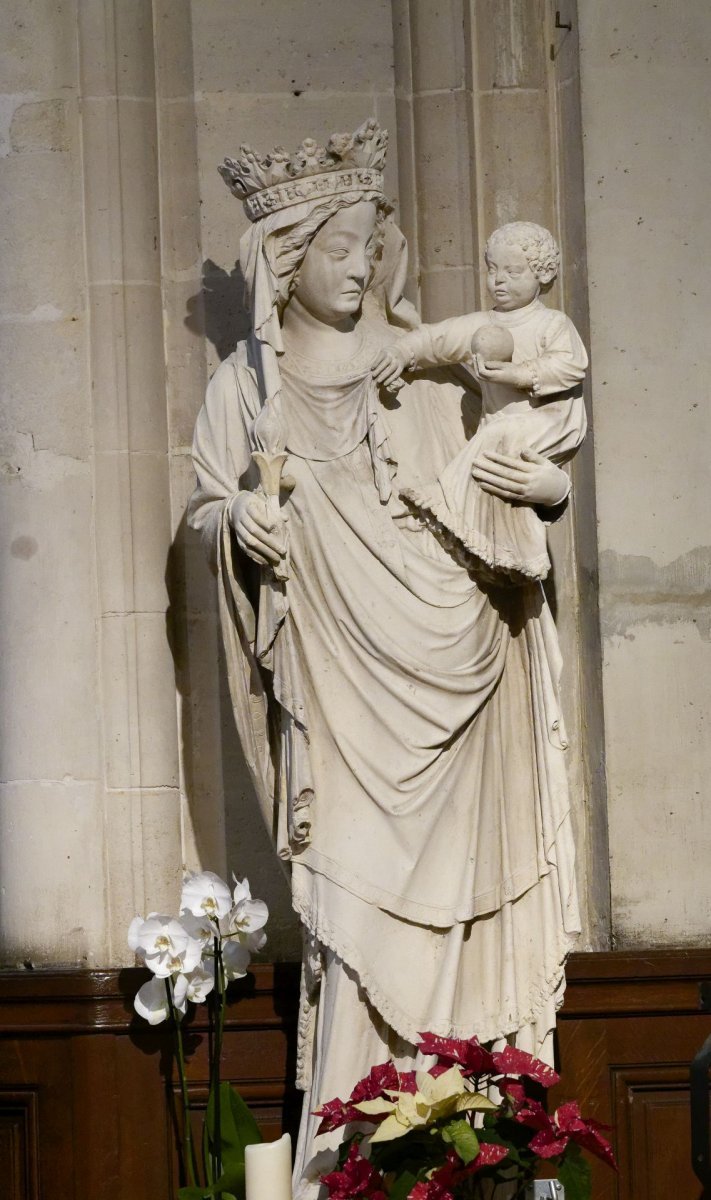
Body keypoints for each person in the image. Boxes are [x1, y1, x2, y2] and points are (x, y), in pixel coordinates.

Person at [188, 122, 582, 1198]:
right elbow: (208, 513)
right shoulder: (247, 394)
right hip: (341, 698)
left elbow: (518, 490)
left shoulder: (432, 375)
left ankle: (481, 1135)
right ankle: (360, 1150)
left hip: (461, 666)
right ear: (288, 255)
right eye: (338, 246)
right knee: (353, 915)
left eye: (372, 243)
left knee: (474, 915)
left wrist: (536, 500)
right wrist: (238, 528)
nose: (361, 264)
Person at [372, 222, 588, 583]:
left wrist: (516, 374)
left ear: (542, 274)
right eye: (492, 270)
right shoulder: (482, 325)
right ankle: (495, 546)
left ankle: (445, 503)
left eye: (513, 271)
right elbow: (435, 339)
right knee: (496, 474)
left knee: (498, 447)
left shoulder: (553, 323)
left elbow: (570, 366)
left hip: (549, 420)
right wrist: (400, 351)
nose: (498, 280)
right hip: (504, 428)